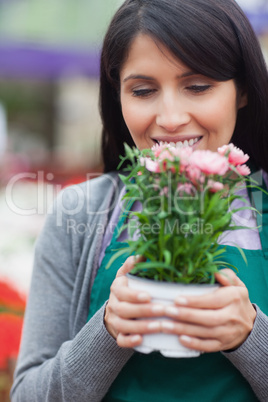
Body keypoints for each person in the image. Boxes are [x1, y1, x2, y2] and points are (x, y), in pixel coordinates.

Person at [11, 0, 268, 401]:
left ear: (244, 91)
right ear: (119, 97)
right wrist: (109, 332)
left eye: (198, 86)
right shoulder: (79, 214)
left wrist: (251, 336)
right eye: (143, 90)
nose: (169, 117)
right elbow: (28, 395)